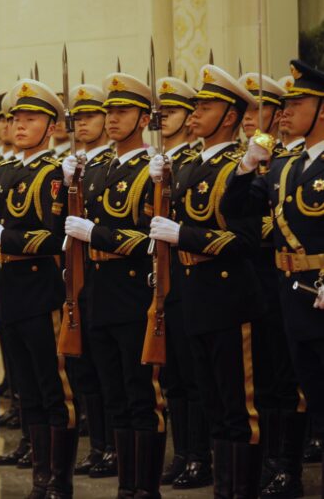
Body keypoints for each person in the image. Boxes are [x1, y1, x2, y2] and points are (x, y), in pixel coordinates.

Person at [149, 64, 264, 498]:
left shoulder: (242, 166)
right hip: (193, 296)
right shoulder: (191, 164)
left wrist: (186, 236)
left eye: (206, 105)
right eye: (195, 104)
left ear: (230, 117)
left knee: (239, 408)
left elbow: (248, 239)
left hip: (230, 298)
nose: (195, 112)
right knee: (212, 405)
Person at [0, 78, 79, 498]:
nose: (19, 125)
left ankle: (59, 480)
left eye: (30, 119)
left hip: (41, 288)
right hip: (8, 290)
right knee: (25, 388)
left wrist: (6, 239)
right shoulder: (6, 171)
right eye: (16, 118)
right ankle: (39, 476)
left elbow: (57, 238)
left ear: (50, 126)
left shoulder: (55, 174)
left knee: (54, 387)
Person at [221, 59, 324, 499]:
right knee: (309, 392)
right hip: (290, 295)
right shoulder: (286, 165)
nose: (285, 111)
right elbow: (237, 209)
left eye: (298, 103)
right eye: (285, 104)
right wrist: (247, 167)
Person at [65, 73, 165, 498]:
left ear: (144, 117)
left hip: (134, 293)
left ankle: (147, 488)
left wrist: (98, 235)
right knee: (113, 395)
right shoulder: (96, 169)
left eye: (122, 111)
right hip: (99, 293)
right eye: (109, 111)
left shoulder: (153, 169)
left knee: (143, 396)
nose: (112, 119)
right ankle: (127, 487)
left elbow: (153, 239)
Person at [150, 76, 213, 490]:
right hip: (161, 278)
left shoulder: (194, 160)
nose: (163, 119)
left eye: (170, 112)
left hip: (191, 274)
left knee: (194, 374)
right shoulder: (155, 160)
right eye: (160, 112)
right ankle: (183, 453)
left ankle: (200, 456)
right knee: (171, 375)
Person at [65, 82, 119, 480]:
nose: (82, 124)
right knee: (85, 367)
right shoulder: (81, 168)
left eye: (90, 116)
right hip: (80, 277)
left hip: (110, 276)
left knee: (111, 372)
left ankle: (114, 448)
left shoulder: (109, 168)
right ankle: (100, 445)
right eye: (77, 118)